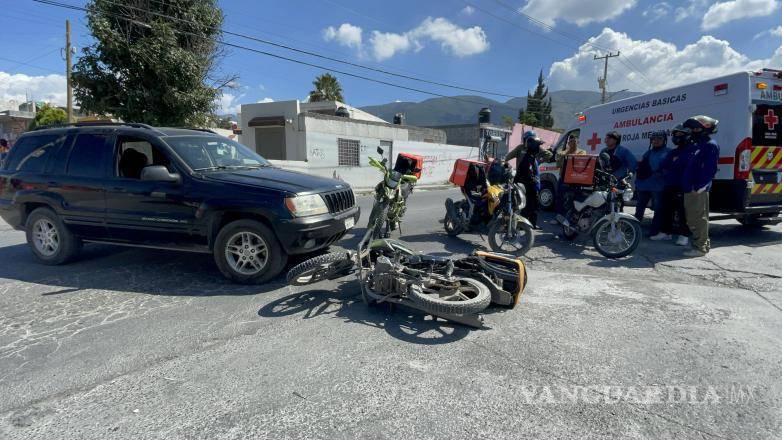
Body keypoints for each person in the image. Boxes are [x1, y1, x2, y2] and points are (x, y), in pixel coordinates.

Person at [681, 115, 720, 257]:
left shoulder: (710, 145)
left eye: (696, 128)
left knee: (698, 218)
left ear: (706, 129)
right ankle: (702, 243)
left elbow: (710, 169)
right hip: (689, 186)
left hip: (697, 189)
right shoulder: (695, 145)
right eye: (692, 128)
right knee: (692, 217)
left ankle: (700, 247)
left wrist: (700, 187)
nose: (693, 131)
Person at [653, 125, 692, 245]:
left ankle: (684, 235)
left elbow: (684, 166)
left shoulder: (692, 150)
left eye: (680, 135)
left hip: (684, 186)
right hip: (669, 185)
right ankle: (665, 233)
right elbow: (663, 165)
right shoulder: (673, 151)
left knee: (683, 212)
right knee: (665, 209)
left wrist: (674, 165)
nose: (677, 137)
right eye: (675, 135)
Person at [634, 130, 671, 237]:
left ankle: (654, 231)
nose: (656, 141)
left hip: (658, 186)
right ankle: (634, 230)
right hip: (643, 185)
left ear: (664, 140)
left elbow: (670, 168)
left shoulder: (668, 152)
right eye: (654, 139)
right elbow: (641, 170)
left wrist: (660, 172)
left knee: (658, 210)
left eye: (659, 139)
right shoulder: (648, 153)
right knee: (639, 209)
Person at [510, 137, 544, 229]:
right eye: (538, 146)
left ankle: (531, 224)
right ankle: (523, 225)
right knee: (528, 207)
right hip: (528, 189)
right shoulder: (528, 159)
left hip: (531, 188)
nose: (539, 148)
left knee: (533, 208)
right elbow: (526, 175)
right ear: (533, 147)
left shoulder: (531, 157)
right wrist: (534, 183)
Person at [555, 134, 586, 215]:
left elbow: (580, 160)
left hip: (575, 180)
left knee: (574, 199)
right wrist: (565, 154)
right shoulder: (563, 152)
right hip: (563, 178)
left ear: (577, 142)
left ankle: (571, 217)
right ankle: (559, 216)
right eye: (571, 141)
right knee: (559, 198)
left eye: (574, 141)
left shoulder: (582, 152)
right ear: (568, 143)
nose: (572, 143)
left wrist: (567, 155)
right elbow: (558, 164)